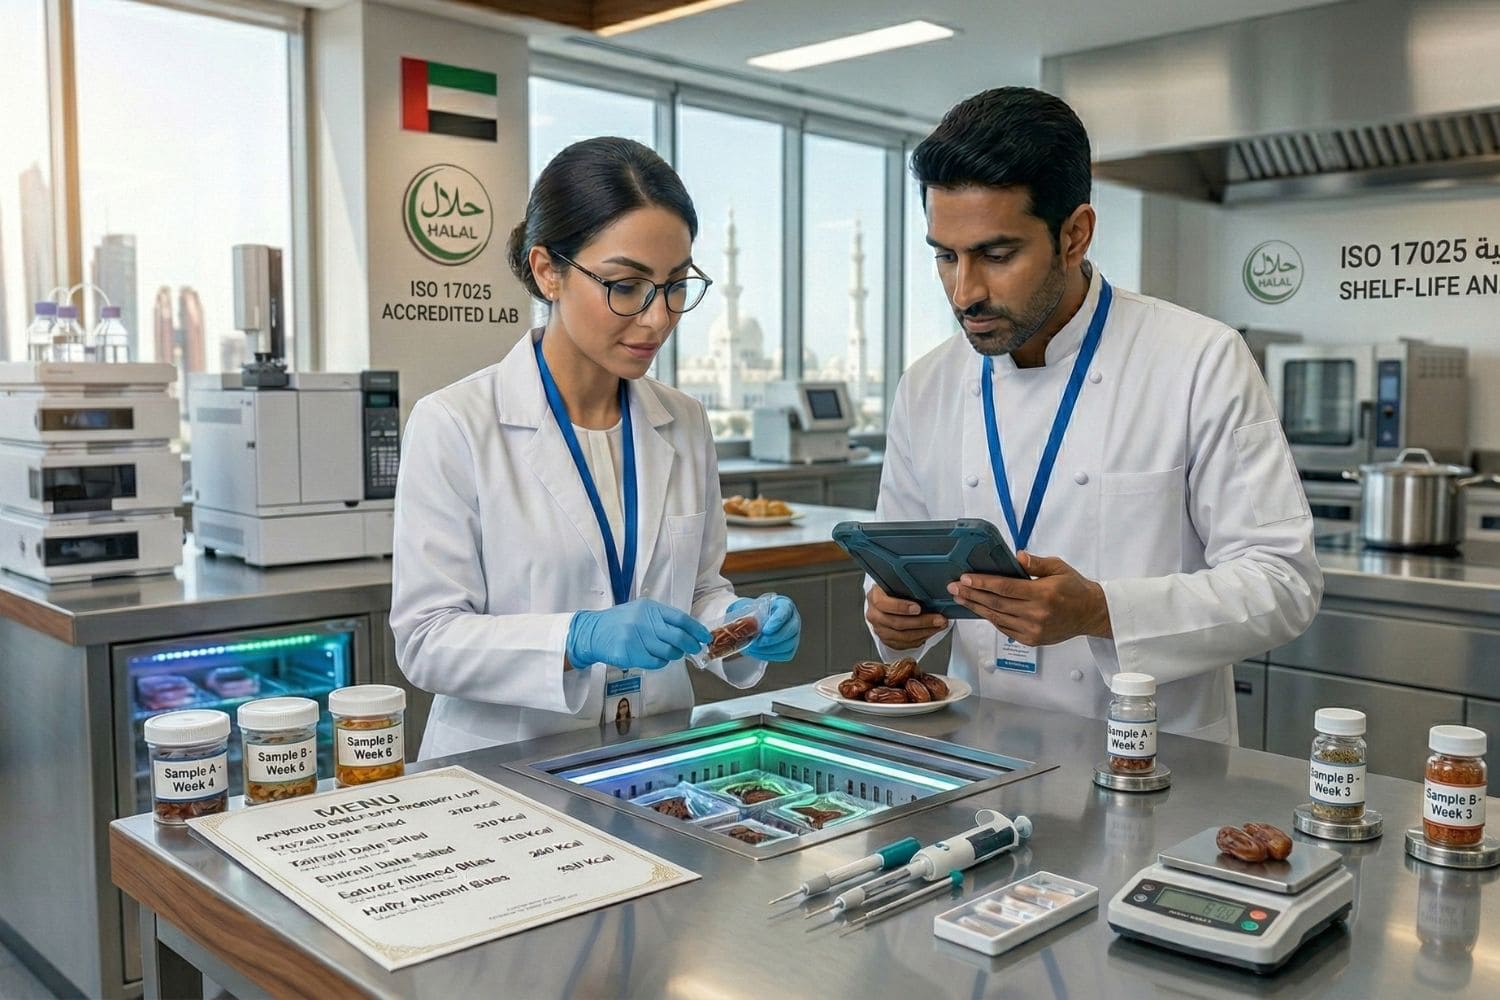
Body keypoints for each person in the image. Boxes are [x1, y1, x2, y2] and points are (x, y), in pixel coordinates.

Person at [866, 88, 1321, 744]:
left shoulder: (1201, 359)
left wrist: (1103, 611)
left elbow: (1283, 583)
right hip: (977, 758)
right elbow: (895, 561)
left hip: (1156, 768)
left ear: (1075, 233)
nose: (965, 292)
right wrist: (891, 617)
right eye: (945, 255)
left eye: (996, 255)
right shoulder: (928, 385)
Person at [392, 137, 801, 758]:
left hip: (656, 761)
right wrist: (576, 638)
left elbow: (697, 595)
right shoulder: (455, 424)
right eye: (626, 285)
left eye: (674, 286)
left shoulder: (683, 422)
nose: (657, 318)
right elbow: (427, 640)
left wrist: (743, 621)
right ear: (547, 271)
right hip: (503, 773)